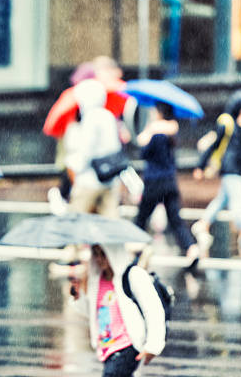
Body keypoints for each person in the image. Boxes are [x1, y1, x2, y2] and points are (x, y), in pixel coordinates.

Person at [69, 244, 165, 376]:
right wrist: (78, 295)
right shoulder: (96, 280)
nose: (99, 259)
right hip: (107, 348)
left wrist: (153, 345)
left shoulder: (132, 275)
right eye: (95, 254)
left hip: (127, 345)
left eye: (103, 254)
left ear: (113, 252)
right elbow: (92, 314)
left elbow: (153, 309)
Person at [191, 89, 241, 258]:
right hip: (229, 168)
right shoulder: (226, 121)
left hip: (236, 167)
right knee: (239, 200)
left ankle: (203, 224)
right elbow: (215, 144)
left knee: (221, 200)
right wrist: (200, 166)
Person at [134, 102, 199, 265]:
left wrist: (148, 131)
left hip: (154, 182)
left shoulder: (156, 133)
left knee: (141, 217)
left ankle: (135, 249)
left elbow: (144, 152)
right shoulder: (171, 132)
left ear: (159, 112)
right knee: (175, 219)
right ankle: (191, 248)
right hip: (170, 181)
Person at [68, 79, 122, 218]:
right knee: (109, 227)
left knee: (76, 225)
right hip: (110, 179)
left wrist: (75, 166)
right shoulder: (108, 116)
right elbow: (114, 146)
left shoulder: (90, 118)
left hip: (89, 180)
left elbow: (86, 150)